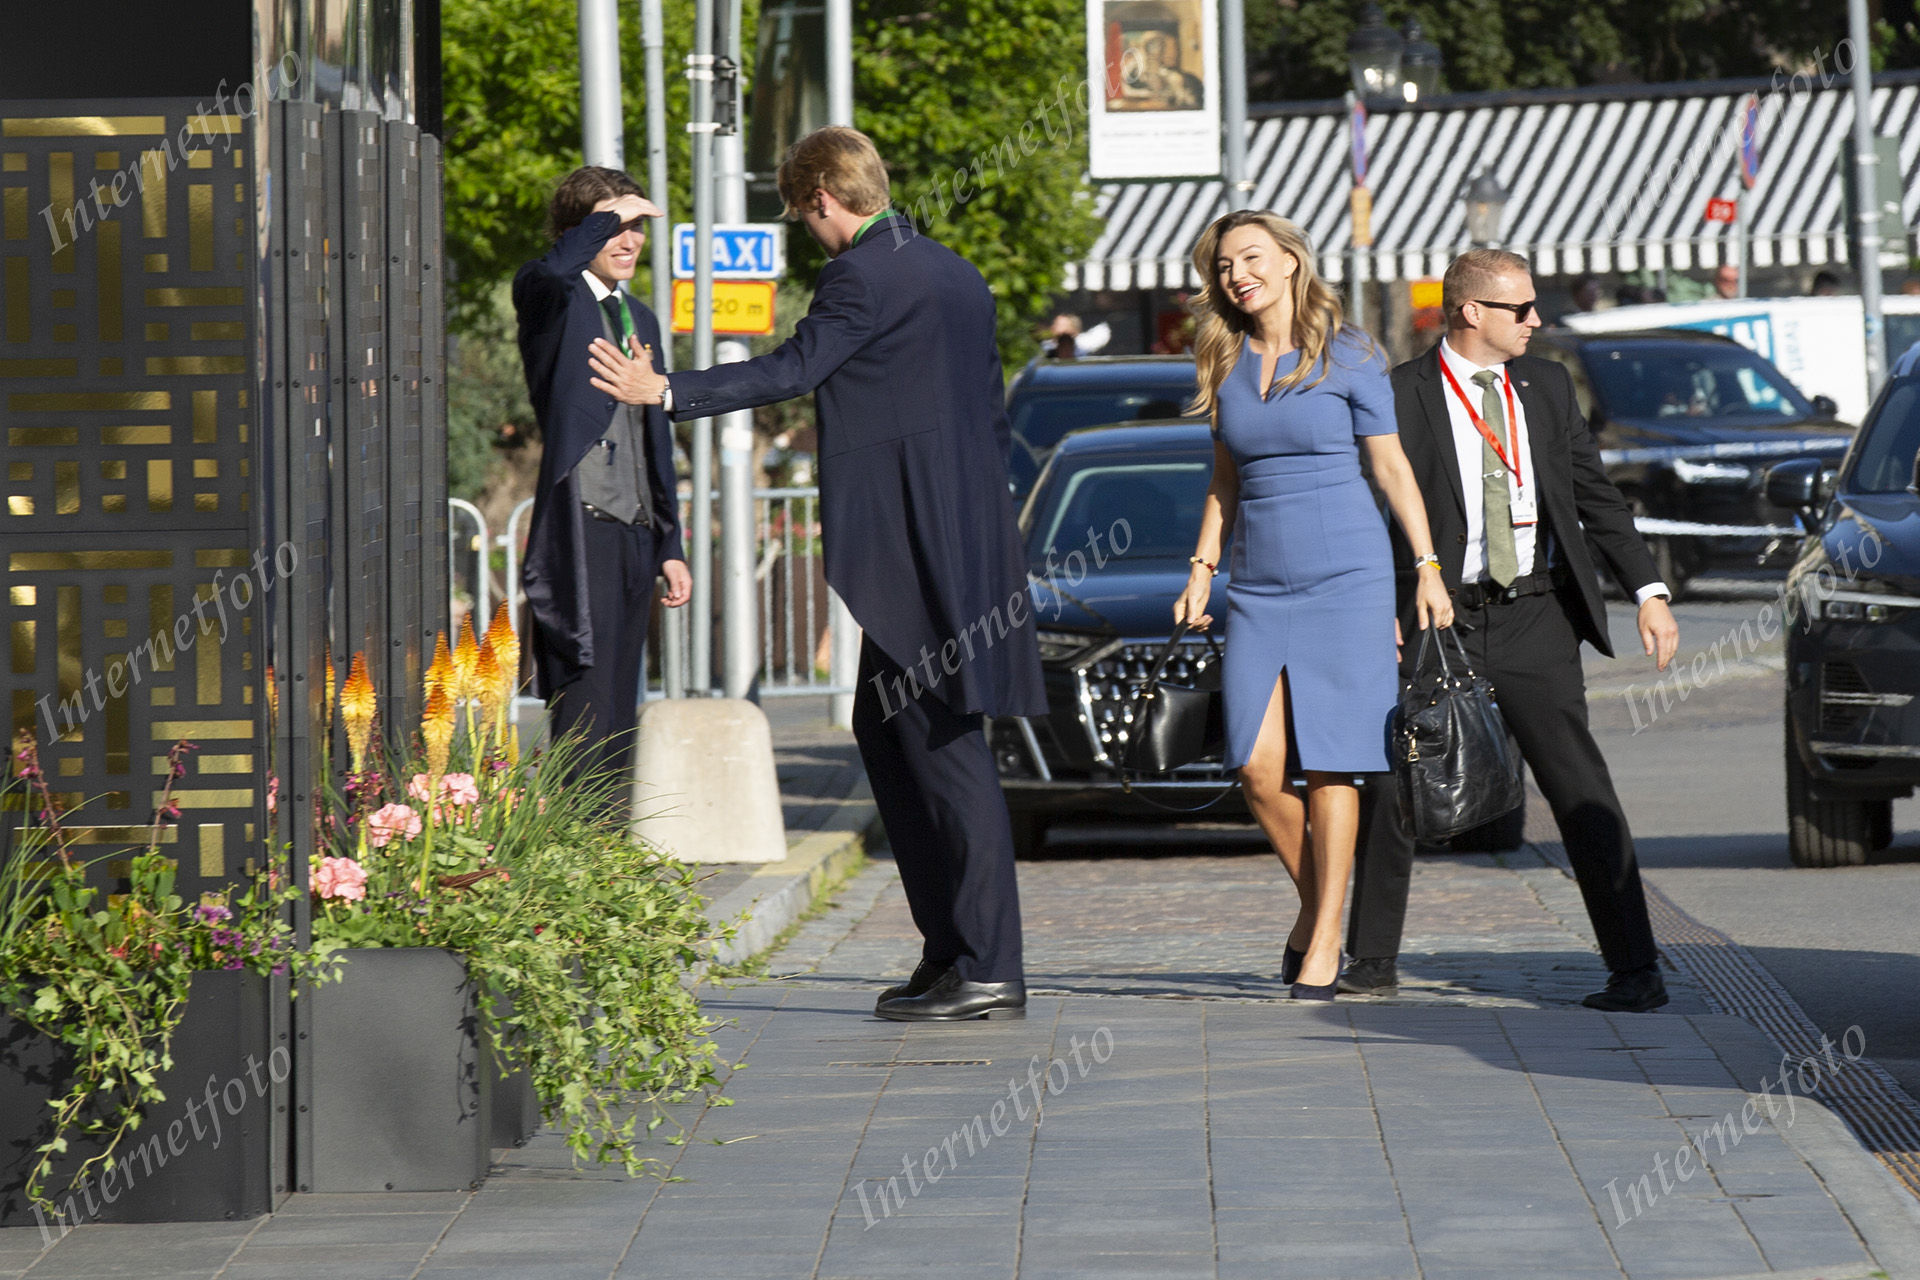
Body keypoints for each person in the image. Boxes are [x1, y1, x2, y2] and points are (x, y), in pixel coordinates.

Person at [611, 127, 1043, 1023]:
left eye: (800, 213)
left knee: (943, 739)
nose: (807, 231)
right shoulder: (953, 272)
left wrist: (667, 392)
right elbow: (989, 417)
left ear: (820, 199)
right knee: (889, 728)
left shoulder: (860, 275)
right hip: (966, 533)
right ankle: (952, 952)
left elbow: (795, 368)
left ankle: (990, 963)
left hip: (918, 536)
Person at [1343, 249, 1681, 1013]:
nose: (1536, 320)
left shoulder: (1548, 384)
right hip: (1439, 615)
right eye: (1520, 308)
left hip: (1535, 611)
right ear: (1470, 313)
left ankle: (1635, 968)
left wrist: (1649, 592)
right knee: (1401, 781)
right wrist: (1376, 611)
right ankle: (1370, 959)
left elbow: (1594, 493)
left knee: (1580, 786)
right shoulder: (1402, 393)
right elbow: (1371, 515)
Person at [1172, 211, 1453, 1001]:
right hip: (1258, 586)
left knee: (1335, 763)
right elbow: (1225, 481)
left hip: (1349, 579)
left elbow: (1393, 470)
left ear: (1292, 261)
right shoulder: (1222, 354)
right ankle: (1319, 909)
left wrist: (1426, 568)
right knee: (1257, 771)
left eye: (1251, 258)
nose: (1237, 275)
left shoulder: (1352, 351)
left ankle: (1327, 938)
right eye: (1224, 265)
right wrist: (1202, 569)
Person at [514, 167, 691, 794]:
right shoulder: (551, 298)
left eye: (637, 227)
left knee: (620, 712)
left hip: (637, 535)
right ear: (577, 232)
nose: (629, 240)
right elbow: (551, 270)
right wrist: (604, 219)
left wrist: (671, 546)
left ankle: (607, 864)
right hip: (579, 528)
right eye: (614, 227)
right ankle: (571, 855)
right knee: (584, 704)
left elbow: (656, 440)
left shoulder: (640, 316)